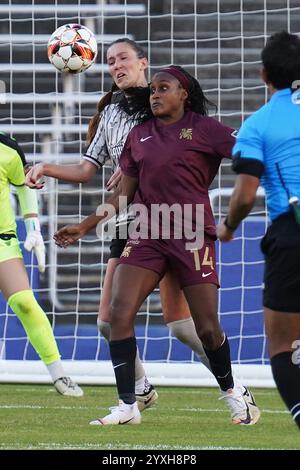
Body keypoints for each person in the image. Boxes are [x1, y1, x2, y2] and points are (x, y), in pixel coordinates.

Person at [52, 65, 261, 426]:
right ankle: (128, 405)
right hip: (146, 235)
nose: (155, 95)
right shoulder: (140, 135)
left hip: (192, 235)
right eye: (152, 90)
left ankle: (233, 390)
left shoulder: (206, 129)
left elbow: (248, 152)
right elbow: (122, 194)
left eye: (164, 88)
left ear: (184, 94)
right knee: (118, 314)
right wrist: (86, 225)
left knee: (207, 327)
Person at [26, 38, 218, 411]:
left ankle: (232, 385)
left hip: (170, 218)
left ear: (143, 63)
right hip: (125, 217)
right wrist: (46, 168)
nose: (117, 65)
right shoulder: (112, 112)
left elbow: (186, 150)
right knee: (107, 321)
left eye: (124, 58)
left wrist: (138, 169)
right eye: (111, 61)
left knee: (180, 326)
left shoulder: (164, 104)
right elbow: (86, 169)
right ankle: (141, 389)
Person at [217, 31, 300, 430]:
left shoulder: (258, 125)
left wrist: (229, 227)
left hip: (292, 235)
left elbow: (246, 195)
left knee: (284, 347)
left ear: (264, 74)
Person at [0, 132, 83, 397]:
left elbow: (24, 185)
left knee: (24, 302)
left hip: (3, 240)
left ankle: (59, 375)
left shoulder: (8, 148)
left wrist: (33, 228)